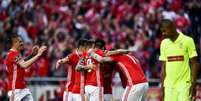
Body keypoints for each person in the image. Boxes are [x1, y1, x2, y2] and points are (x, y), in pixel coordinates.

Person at [159, 19, 198, 101]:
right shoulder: (163, 43)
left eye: (165, 31)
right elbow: (163, 68)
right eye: (162, 32)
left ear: (173, 28)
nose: (163, 34)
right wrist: (162, 87)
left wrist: (194, 84)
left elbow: (194, 64)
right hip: (169, 86)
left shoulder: (188, 41)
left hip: (184, 85)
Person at [5, 35, 47, 101]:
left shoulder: (16, 54)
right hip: (15, 90)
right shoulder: (12, 54)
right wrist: (38, 55)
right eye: (20, 42)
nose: (22, 43)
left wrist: (32, 55)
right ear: (14, 43)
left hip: (23, 88)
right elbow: (24, 65)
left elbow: (22, 62)